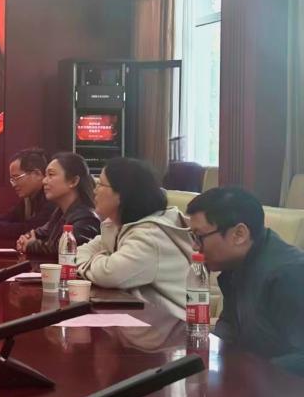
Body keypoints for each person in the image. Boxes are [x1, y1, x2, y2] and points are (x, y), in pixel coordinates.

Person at [187, 187, 304, 376]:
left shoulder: (288, 275)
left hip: (281, 388)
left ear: (239, 234)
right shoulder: (236, 265)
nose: (194, 246)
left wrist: (249, 374)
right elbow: (229, 330)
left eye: (199, 237)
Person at [75, 158, 193, 317]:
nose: (94, 190)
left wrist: (93, 260)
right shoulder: (116, 225)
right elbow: (80, 251)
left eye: (101, 184)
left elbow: (110, 274)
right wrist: (100, 258)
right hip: (140, 319)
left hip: (171, 326)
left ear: (122, 194)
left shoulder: (151, 235)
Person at [17, 152, 100, 257]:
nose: (44, 181)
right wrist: (26, 238)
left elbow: (67, 250)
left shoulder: (86, 218)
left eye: (51, 175)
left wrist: (31, 245)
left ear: (73, 181)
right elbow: (40, 232)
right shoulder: (60, 212)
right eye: (45, 175)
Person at [0, 147, 54, 240]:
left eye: (16, 178)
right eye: (12, 180)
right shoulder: (28, 198)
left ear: (37, 174)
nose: (13, 185)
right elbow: (9, 218)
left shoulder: (52, 198)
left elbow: (29, 229)